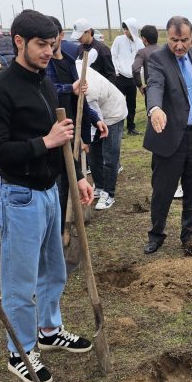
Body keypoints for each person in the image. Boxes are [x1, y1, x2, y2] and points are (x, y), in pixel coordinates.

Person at [0, 9, 94, 382]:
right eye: (41, 45)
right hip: (19, 196)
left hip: (50, 192)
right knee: (20, 280)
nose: (49, 51)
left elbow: (61, 138)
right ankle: (20, 350)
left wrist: (76, 177)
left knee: (53, 269)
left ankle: (48, 330)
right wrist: (44, 142)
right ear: (18, 42)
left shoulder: (44, 82)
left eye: (53, 44)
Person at [143, 16, 192, 256]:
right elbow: (154, 86)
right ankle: (156, 234)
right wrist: (154, 108)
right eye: (174, 40)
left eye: (184, 40)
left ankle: (190, 236)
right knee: (163, 191)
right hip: (169, 138)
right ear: (167, 36)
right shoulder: (157, 59)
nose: (178, 45)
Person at [44, 16, 107, 228]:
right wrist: (69, 88)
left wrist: (96, 120)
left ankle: (67, 224)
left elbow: (79, 99)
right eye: (43, 42)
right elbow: (46, 88)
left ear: (60, 36)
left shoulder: (70, 63)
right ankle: (59, 228)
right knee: (59, 182)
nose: (48, 46)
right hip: (52, 132)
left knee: (72, 179)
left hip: (72, 129)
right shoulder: (44, 65)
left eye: (51, 40)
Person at [77, 49, 127, 210]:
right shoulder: (73, 68)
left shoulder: (88, 91)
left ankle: (109, 193)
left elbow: (93, 119)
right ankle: (99, 187)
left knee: (109, 155)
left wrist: (85, 140)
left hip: (113, 112)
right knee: (93, 154)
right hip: (97, 109)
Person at [111, 18, 143, 135]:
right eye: (124, 28)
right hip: (120, 77)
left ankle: (131, 128)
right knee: (118, 104)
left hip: (132, 78)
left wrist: (139, 75)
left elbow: (141, 59)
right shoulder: (119, 40)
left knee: (131, 104)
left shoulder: (139, 42)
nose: (125, 31)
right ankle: (118, 129)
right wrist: (116, 71)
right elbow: (113, 55)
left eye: (127, 29)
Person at [71, 18, 115, 83]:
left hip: (100, 89)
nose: (78, 39)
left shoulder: (102, 49)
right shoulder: (79, 48)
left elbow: (111, 74)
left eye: (80, 36)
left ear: (88, 32)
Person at [132, 24, 159, 99]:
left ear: (144, 39)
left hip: (151, 89)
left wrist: (139, 85)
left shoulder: (142, 52)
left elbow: (135, 69)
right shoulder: (165, 50)